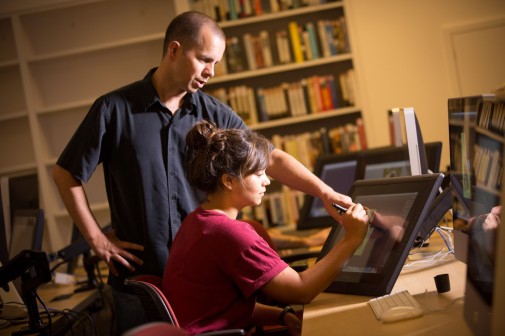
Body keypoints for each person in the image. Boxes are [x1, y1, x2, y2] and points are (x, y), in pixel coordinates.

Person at [51, 11, 355, 334]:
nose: (211, 72)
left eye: (216, 63)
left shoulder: (212, 111)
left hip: (199, 279)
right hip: (138, 284)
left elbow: (268, 158)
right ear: (175, 50)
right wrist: (96, 238)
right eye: (205, 60)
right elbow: (65, 173)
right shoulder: (113, 109)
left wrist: (324, 191)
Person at [162, 121, 369, 336]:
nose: (267, 182)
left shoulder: (196, 221)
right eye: (259, 174)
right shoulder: (229, 233)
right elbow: (301, 290)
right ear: (229, 181)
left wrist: (279, 315)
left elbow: (219, 305)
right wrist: (352, 238)